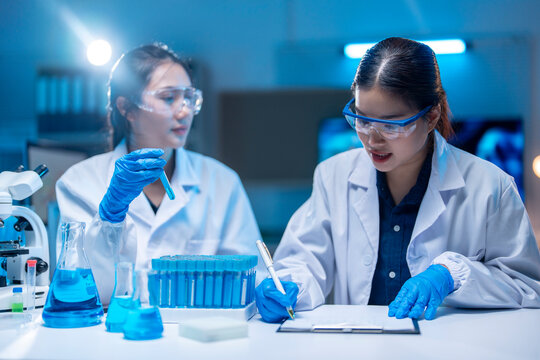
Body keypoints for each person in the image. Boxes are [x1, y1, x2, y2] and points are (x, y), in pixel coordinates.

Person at [255, 37, 540, 323]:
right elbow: (305, 259)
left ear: (431, 117)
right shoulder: (333, 176)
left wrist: (453, 275)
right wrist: (290, 285)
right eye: (362, 119)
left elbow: (528, 288)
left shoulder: (491, 186)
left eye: (391, 125)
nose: (372, 140)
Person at [56, 43, 261, 304]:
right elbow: (82, 290)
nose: (185, 110)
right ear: (127, 109)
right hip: (113, 337)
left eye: (189, 98)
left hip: (199, 336)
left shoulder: (222, 182)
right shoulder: (80, 182)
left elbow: (249, 280)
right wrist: (110, 215)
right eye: (168, 98)